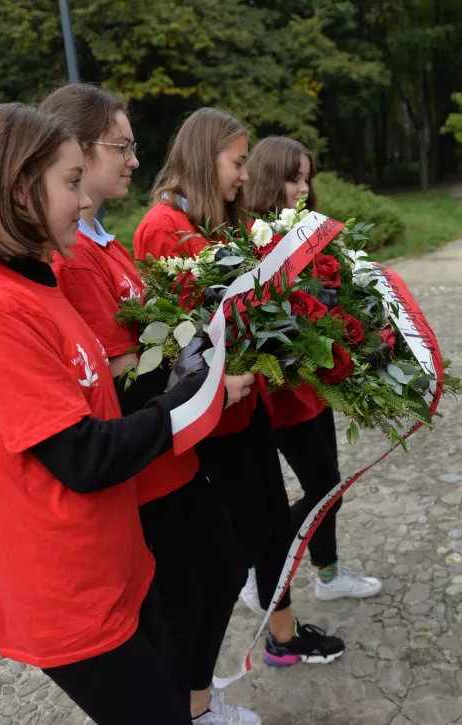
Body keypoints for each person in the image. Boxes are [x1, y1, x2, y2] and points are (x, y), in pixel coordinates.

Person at [0, 103, 241, 724]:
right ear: (20, 190)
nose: (82, 201)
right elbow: (84, 455)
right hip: (69, 592)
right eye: (71, 183)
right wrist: (185, 401)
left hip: (113, 564)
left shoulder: (34, 281)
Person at [39, 84, 259, 725]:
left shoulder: (104, 242)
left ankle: (193, 702)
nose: (134, 160)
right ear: (77, 149)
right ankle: (188, 707)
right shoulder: (78, 259)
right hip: (148, 464)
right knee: (180, 600)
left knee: (212, 576)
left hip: (173, 451)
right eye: (122, 146)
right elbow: (124, 378)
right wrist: (208, 381)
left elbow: (156, 341)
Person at [133, 108, 346, 668]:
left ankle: (282, 633)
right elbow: (185, 334)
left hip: (241, 409)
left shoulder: (204, 224)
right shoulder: (163, 227)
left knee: (272, 524)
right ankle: (215, 669)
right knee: (245, 537)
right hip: (213, 419)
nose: (246, 175)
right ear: (206, 160)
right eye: (237, 161)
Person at [242, 136, 383, 604]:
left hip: (317, 384)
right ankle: (256, 561)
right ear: (268, 178)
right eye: (292, 177)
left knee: (330, 485)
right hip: (284, 391)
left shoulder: (308, 230)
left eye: (307, 177)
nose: (303, 188)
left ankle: (326, 573)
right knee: (325, 489)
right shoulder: (255, 240)